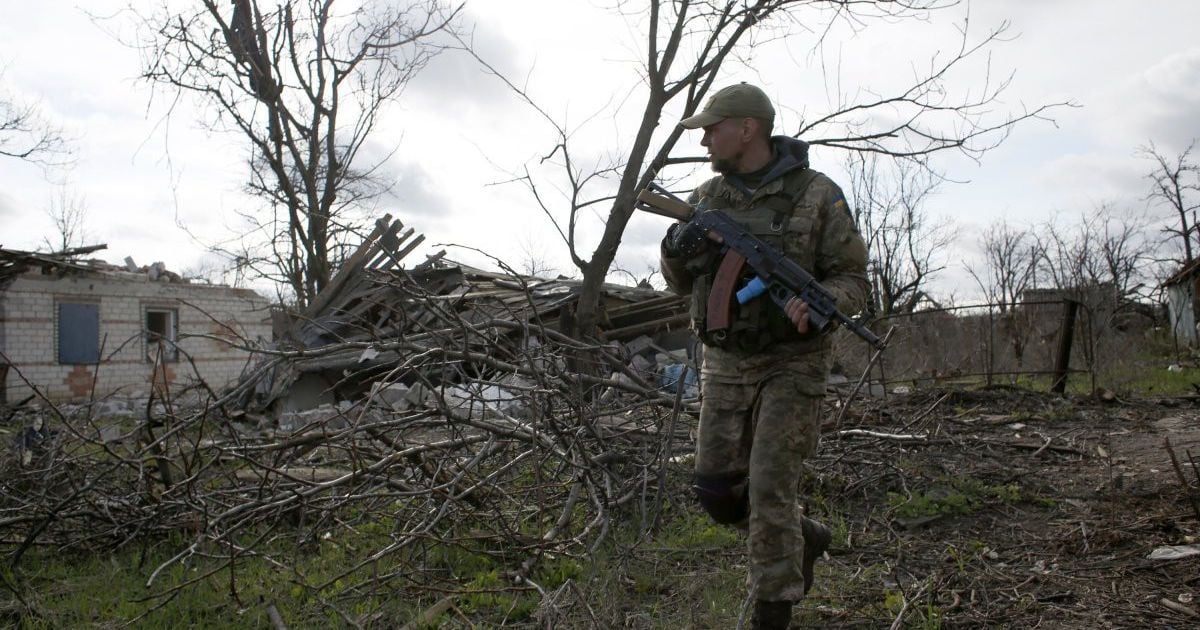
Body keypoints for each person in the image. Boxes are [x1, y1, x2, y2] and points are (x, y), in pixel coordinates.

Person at [660, 83, 871, 630]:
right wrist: (675, 248)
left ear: (747, 128)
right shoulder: (708, 198)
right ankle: (808, 535)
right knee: (716, 491)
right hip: (725, 360)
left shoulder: (818, 195)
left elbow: (852, 278)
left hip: (793, 361)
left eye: (713, 127)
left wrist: (823, 305)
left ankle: (772, 614)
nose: (705, 137)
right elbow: (679, 282)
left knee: (770, 487)